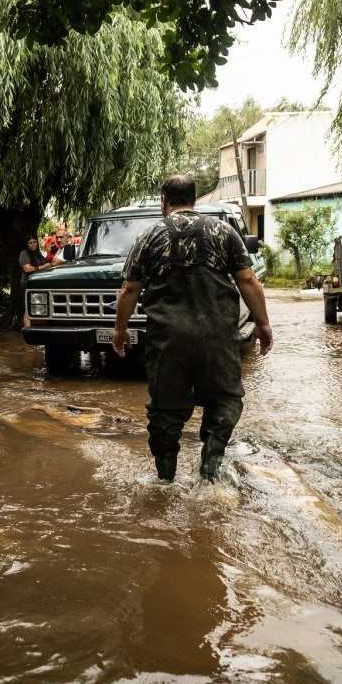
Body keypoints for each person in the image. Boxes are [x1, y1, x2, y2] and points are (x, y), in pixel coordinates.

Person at [112, 175, 273, 483]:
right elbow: (249, 281)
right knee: (224, 399)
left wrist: (120, 330)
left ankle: (166, 481)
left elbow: (129, 291)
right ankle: (210, 469)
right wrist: (263, 323)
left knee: (165, 412)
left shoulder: (149, 236)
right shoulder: (223, 232)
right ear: (194, 199)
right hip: (218, 337)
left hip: (168, 341)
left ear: (164, 201)